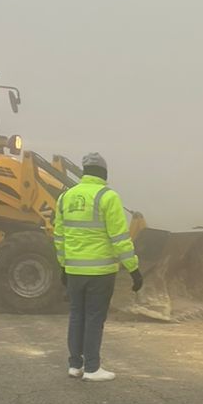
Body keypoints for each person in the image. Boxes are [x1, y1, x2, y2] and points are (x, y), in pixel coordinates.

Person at [53, 153, 143, 382]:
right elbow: (120, 238)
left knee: (76, 315)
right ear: (103, 173)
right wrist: (133, 269)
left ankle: (75, 365)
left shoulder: (65, 197)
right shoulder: (108, 197)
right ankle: (92, 368)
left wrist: (63, 266)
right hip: (100, 272)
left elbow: (59, 237)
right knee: (94, 317)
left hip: (74, 271)